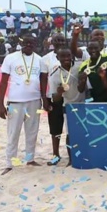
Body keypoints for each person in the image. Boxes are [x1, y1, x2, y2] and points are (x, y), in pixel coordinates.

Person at [0, 33, 49, 175]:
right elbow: (3, 82)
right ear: (21, 43)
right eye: (26, 43)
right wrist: (0, 104)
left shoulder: (39, 60)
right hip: (15, 101)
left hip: (34, 101)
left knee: (32, 131)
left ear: (35, 44)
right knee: (13, 132)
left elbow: (43, 81)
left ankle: (30, 158)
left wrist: (44, 99)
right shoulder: (11, 58)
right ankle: (9, 162)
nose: (28, 45)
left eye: (31, 43)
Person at [48, 47, 85, 166]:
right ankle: (71, 159)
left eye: (68, 56)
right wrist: (59, 92)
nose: (66, 59)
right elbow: (55, 98)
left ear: (72, 56)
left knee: (83, 132)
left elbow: (84, 88)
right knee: (70, 133)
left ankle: (83, 155)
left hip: (83, 104)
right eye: (62, 57)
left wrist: (83, 82)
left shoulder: (79, 67)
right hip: (68, 106)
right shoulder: (55, 75)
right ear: (57, 58)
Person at [41, 33, 68, 164]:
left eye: (62, 40)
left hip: (71, 98)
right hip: (53, 97)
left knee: (71, 128)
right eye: (57, 40)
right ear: (53, 42)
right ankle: (56, 154)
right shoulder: (46, 59)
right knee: (55, 128)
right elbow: (43, 80)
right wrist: (44, 99)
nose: (60, 42)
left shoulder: (71, 55)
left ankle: (72, 155)